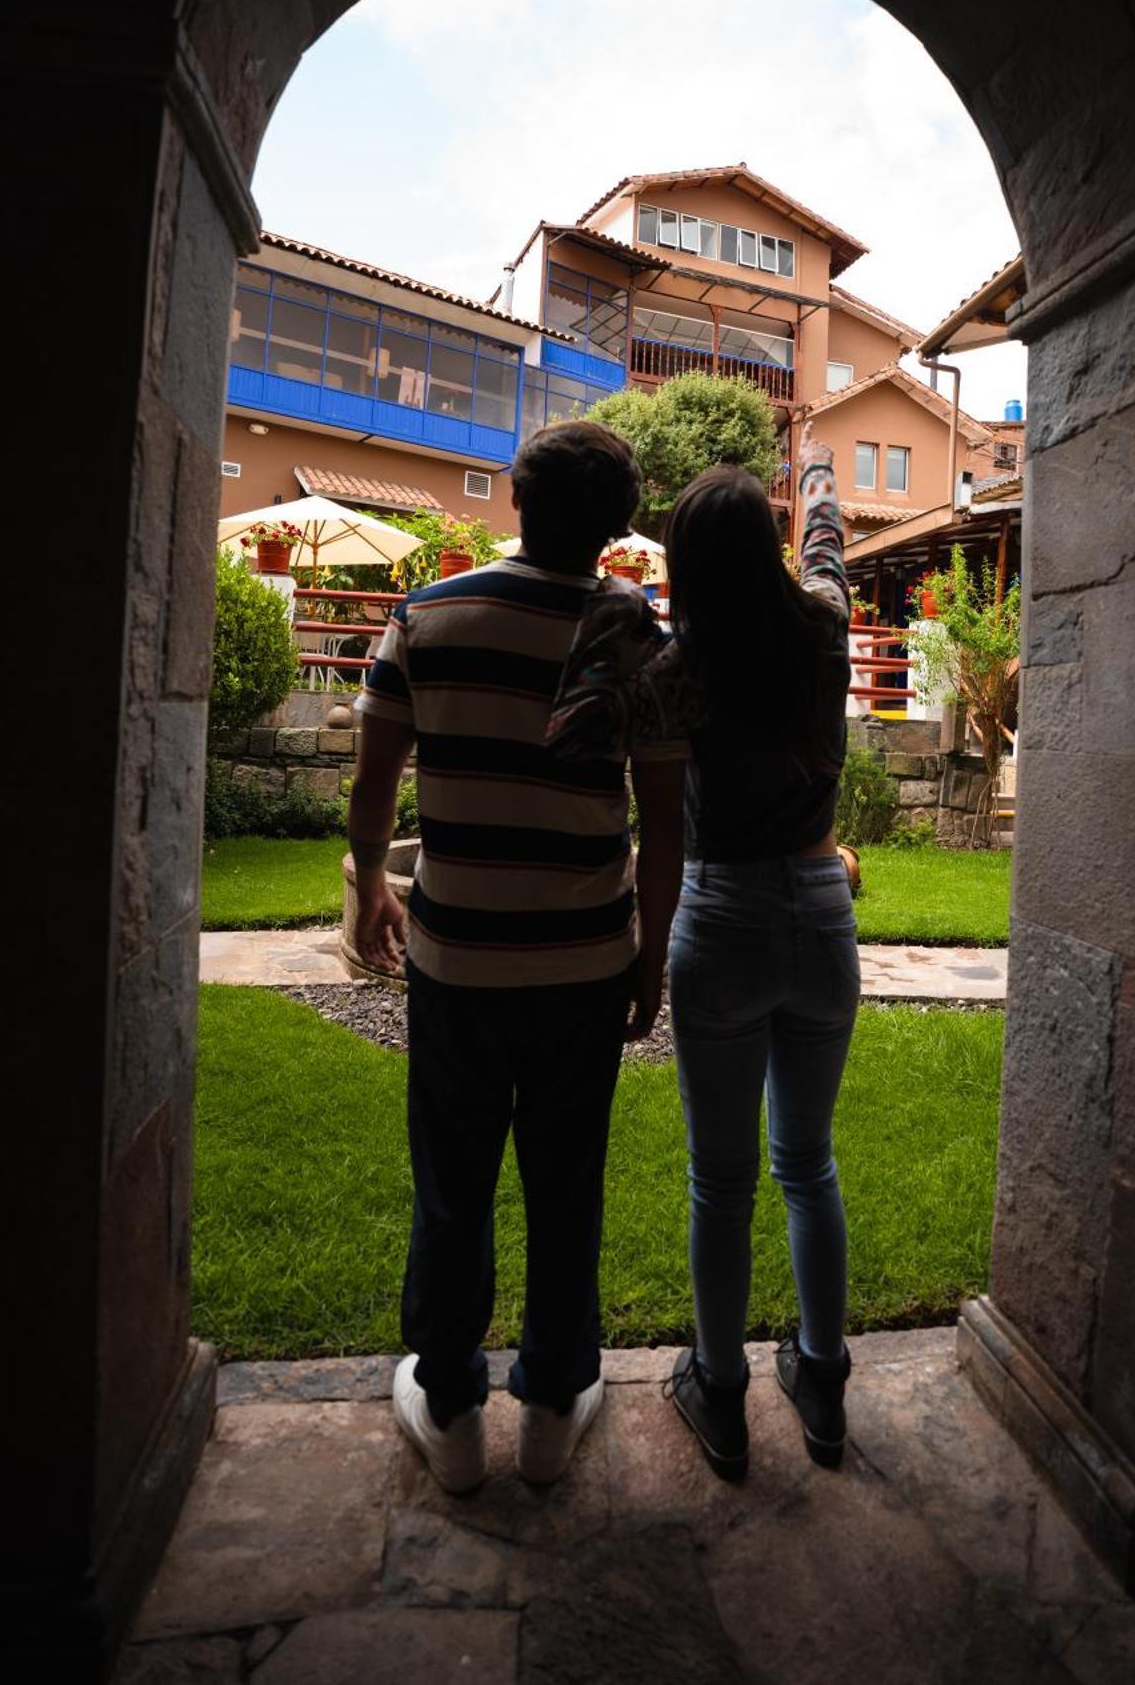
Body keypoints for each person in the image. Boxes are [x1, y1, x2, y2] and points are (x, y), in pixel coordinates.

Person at [348, 422, 687, 1494]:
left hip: (456, 961)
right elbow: (667, 818)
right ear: (619, 525)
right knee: (564, 1181)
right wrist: (652, 956)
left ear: (513, 494)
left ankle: (449, 1408)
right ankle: (551, 1401)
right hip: (584, 960)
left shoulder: (427, 612)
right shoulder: (636, 628)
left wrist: (369, 879)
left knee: (450, 1184)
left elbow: (370, 783)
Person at [548, 421, 858, 1479]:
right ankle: (822, 1379)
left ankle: (719, 1387)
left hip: (720, 919)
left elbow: (577, 727)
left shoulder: (681, 667)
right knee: (807, 1163)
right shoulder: (822, 628)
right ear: (767, 552)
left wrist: (613, 613)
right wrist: (814, 474)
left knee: (721, 1180)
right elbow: (827, 549)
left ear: (681, 564)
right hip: (820, 903)